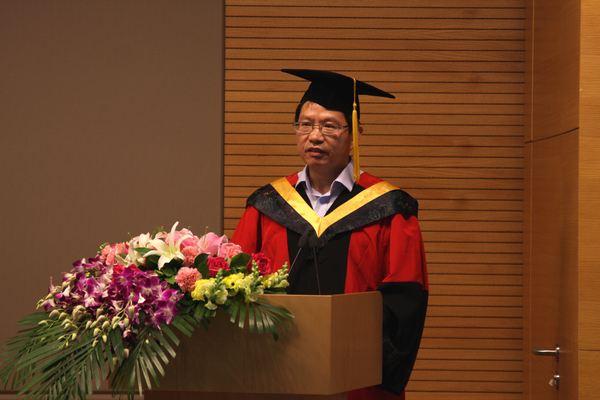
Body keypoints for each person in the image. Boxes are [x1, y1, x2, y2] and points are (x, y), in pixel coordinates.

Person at [232, 69, 428, 400]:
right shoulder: (266, 205)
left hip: (357, 379)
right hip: (277, 371)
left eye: (330, 126)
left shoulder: (391, 209)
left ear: (355, 134)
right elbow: (236, 283)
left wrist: (363, 362)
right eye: (305, 124)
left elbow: (405, 299)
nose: (315, 136)